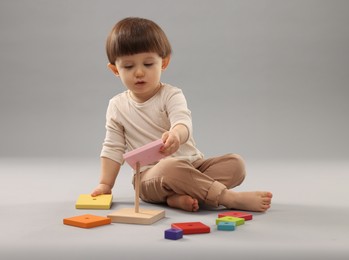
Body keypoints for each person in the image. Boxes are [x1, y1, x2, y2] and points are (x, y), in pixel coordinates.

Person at [91, 17, 272, 212]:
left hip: (193, 166)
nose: (139, 72)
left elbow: (182, 121)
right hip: (149, 177)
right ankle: (227, 198)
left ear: (164, 62)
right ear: (114, 69)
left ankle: (176, 197)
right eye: (128, 66)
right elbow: (113, 148)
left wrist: (176, 134)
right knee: (169, 167)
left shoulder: (171, 94)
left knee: (236, 164)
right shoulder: (117, 106)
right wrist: (105, 185)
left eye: (148, 64)